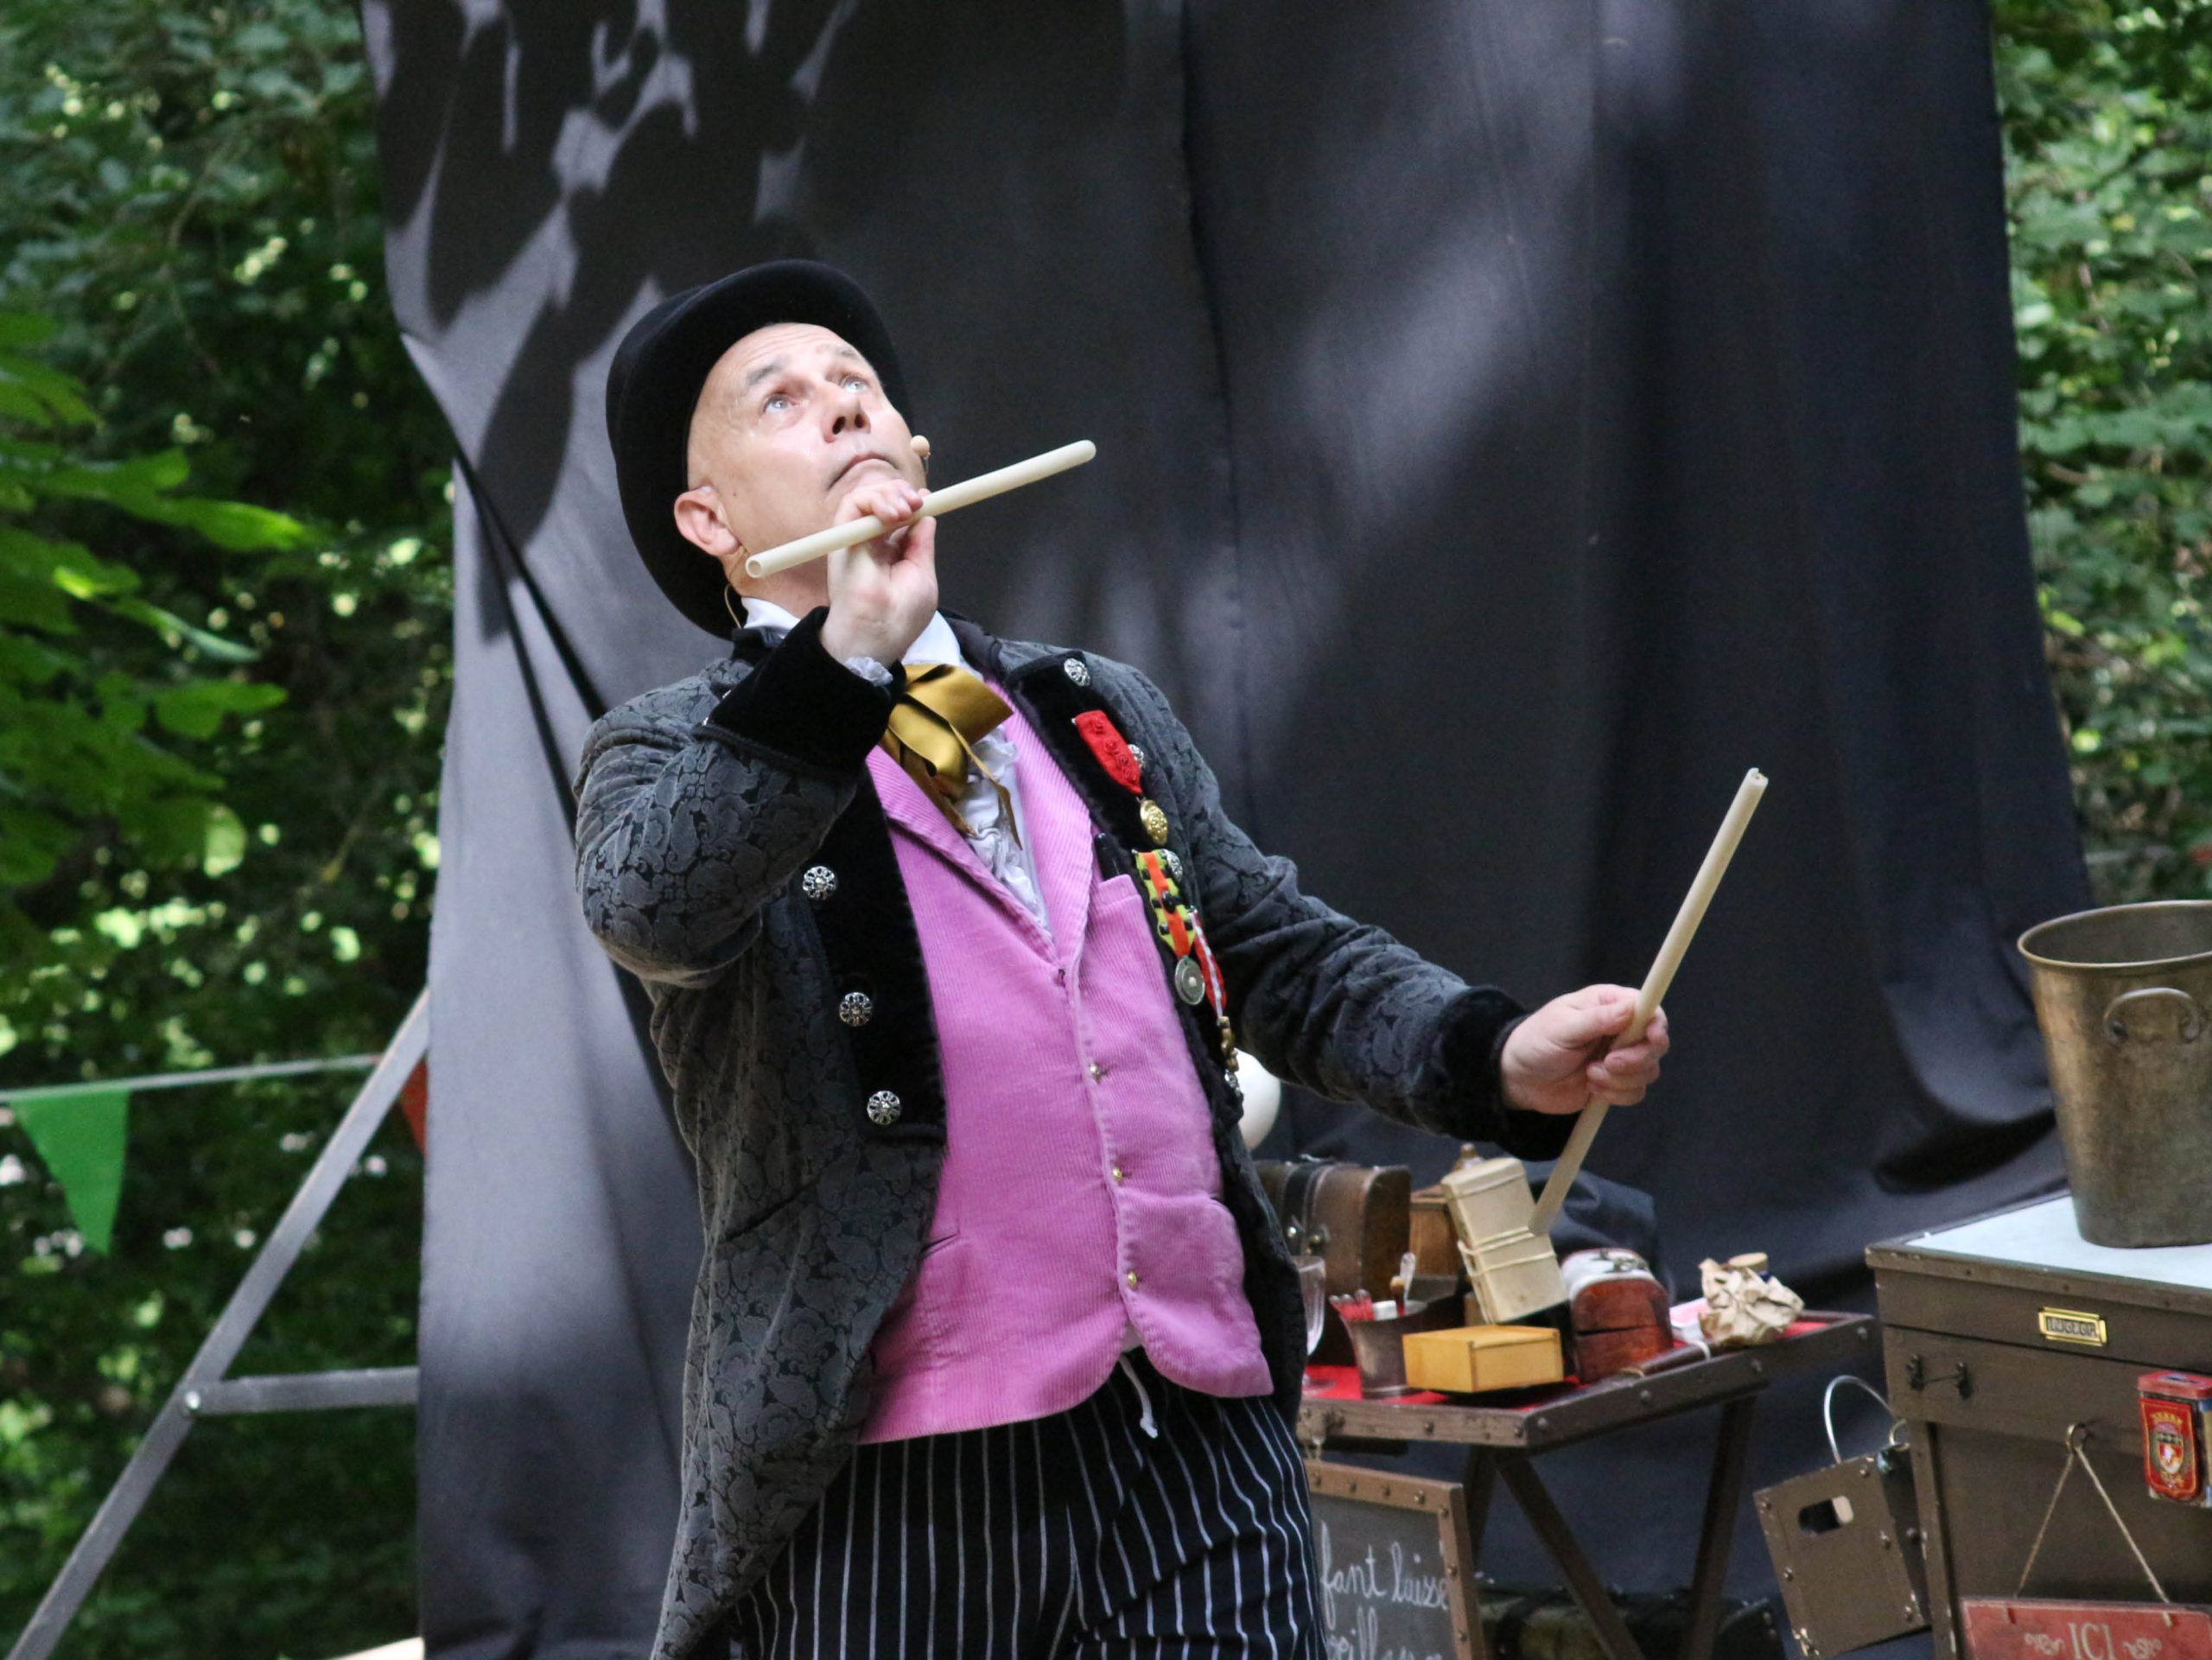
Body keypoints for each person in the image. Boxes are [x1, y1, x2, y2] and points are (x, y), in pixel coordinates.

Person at [574, 259, 1671, 1660]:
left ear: (918, 452)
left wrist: (1494, 1052)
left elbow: (1275, 954)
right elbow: (655, 910)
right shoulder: (669, 748)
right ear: (710, 521)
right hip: (900, 1475)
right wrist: (845, 659)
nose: (844, 408)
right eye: (782, 401)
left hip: (1195, 1436)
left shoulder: (1084, 707)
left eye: (861, 386)